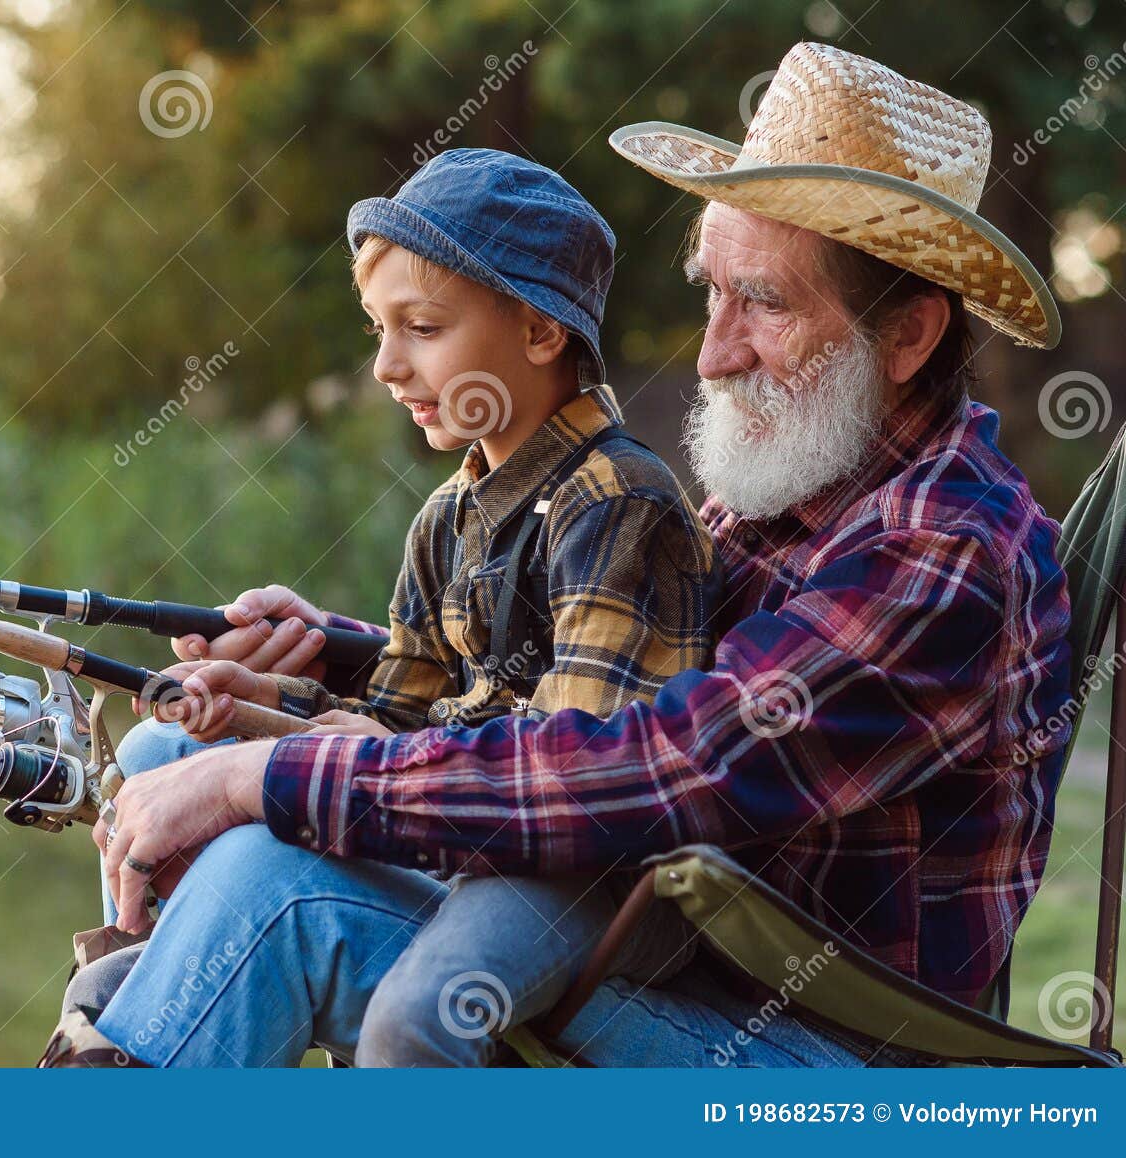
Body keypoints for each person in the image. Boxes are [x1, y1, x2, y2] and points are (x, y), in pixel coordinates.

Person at [74, 43, 1071, 1068]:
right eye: (711, 294)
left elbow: (650, 764)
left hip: (818, 1053)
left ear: (905, 336)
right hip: (677, 962)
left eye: (765, 303)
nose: (712, 353)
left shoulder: (941, 554)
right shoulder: (797, 491)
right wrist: (334, 658)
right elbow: (603, 665)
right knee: (172, 796)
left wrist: (272, 775)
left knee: (271, 886)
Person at [62, 148, 720, 1067]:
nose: (385, 366)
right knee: (159, 750)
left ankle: (148, 1024)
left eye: (421, 327)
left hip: (585, 874)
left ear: (538, 332)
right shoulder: (447, 517)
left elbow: (578, 767)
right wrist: (248, 703)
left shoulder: (619, 500)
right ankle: (152, 983)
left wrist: (284, 759)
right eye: (378, 328)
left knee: (419, 996)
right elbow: (393, 720)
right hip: (472, 822)